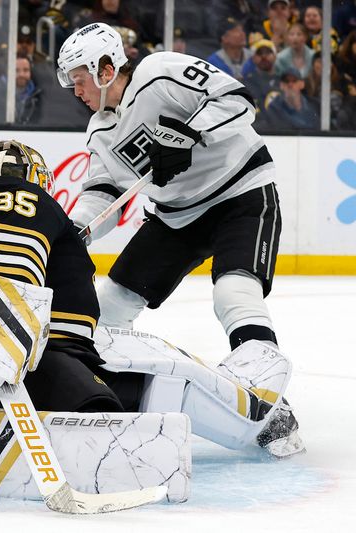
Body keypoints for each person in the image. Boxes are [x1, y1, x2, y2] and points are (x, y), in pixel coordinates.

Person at [0, 139, 303, 458]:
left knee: (127, 353)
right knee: (158, 363)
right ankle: (262, 420)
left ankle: (257, 417)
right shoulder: (22, 201)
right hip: (45, 372)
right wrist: (5, 344)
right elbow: (5, 271)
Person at [56, 22, 287, 378]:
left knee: (233, 292)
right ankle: (109, 390)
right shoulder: (99, 130)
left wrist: (189, 134)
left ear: (105, 69)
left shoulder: (158, 72)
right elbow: (104, 193)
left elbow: (238, 100)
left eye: (79, 79)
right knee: (110, 307)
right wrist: (74, 230)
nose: (76, 90)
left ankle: (267, 394)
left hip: (240, 194)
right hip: (177, 218)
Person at [242, 39, 281, 119]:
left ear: (275, 56)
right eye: (259, 53)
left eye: (268, 52)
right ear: (253, 58)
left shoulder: (285, 81)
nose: (264, 56)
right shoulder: (246, 84)